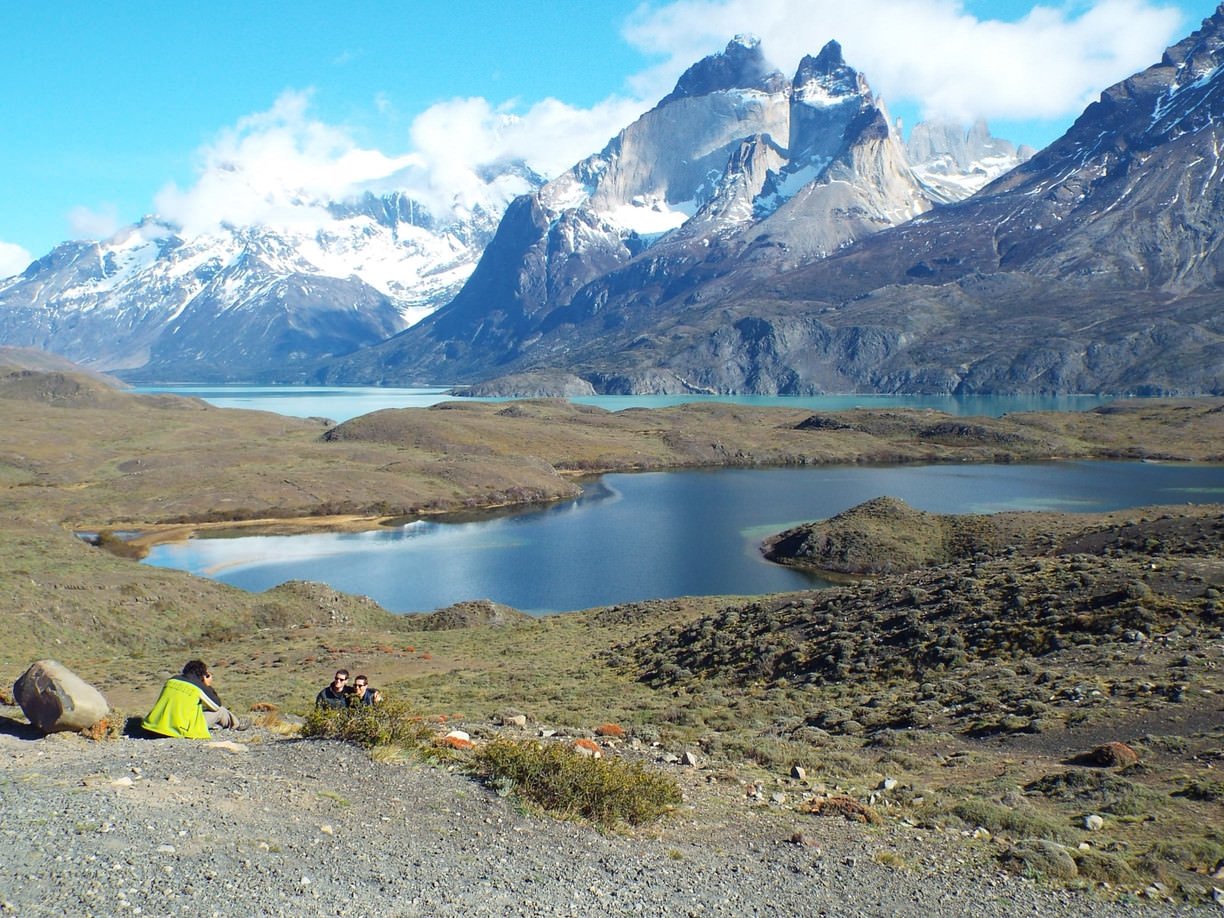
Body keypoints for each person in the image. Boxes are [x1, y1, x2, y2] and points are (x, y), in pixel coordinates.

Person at [141, 660, 242, 739]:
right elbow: (216, 705)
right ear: (203, 674)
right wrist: (207, 686)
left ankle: (220, 726)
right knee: (221, 711)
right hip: (178, 730)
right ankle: (236, 726)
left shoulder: (171, 680)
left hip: (152, 727)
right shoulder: (197, 686)